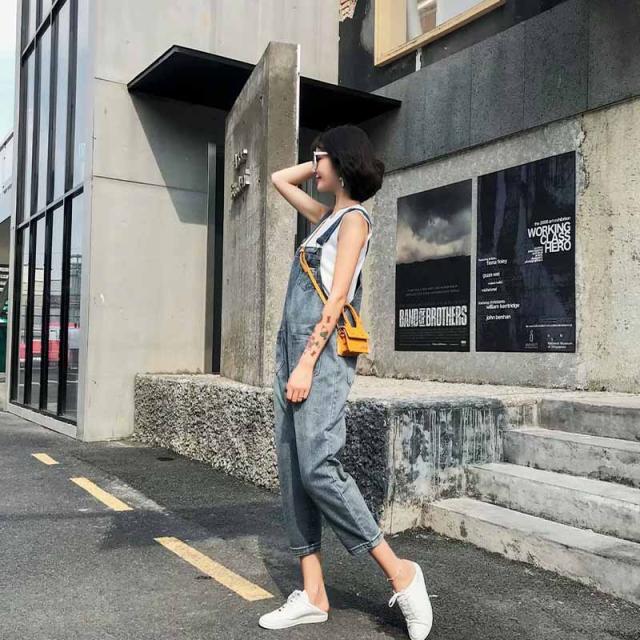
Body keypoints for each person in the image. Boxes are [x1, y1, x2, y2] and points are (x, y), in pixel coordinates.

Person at [260, 124, 433, 639]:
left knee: (318, 466)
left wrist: (305, 364)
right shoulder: (326, 219)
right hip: (290, 348)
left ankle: (401, 573)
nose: (314, 165)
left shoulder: (354, 219)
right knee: (293, 467)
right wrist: (320, 157)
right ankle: (313, 593)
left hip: (321, 353)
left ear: (341, 163)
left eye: (322, 158)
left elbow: (336, 300)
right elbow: (277, 178)